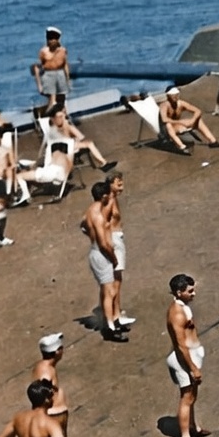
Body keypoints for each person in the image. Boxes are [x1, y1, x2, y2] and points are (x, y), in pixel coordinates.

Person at [166, 273, 208, 437]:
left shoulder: (184, 307)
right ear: (178, 292)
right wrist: (193, 368)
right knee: (186, 398)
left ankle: (193, 427)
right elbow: (181, 346)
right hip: (185, 360)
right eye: (190, 291)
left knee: (193, 396)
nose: (194, 294)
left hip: (192, 356)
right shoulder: (176, 314)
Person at [83, 179, 128, 343]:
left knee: (107, 290)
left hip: (96, 253)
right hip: (102, 254)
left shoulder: (90, 210)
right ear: (103, 196)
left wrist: (90, 237)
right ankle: (110, 327)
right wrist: (114, 258)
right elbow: (103, 244)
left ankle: (113, 322)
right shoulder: (99, 217)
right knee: (109, 292)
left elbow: (83, 226)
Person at [45, 104, 116, 172]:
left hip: (65, 146)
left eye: (63, 115)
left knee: (86, 141)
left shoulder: (58, 125)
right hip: (63, 149)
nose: (63, 117)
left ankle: (103, 162)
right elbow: (68, 139)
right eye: (60, 116)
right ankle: (103, 163)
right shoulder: (57, 127)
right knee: (89, 143)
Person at [106, 171, 134, 330]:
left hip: (117, 237)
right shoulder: (109, 201)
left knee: (116, 279)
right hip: (114, 239)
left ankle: (116, 312)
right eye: (118, 184)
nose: (121, 187)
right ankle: (116, 315)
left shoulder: (113, 198)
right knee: (116, 280)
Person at [158, 87, 219, 154]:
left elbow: (197, 111)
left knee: (199, 120)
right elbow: (164, 119)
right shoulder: (164, 105)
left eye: (176, 95)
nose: (175, 97)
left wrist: (192, 120)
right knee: (168, 124)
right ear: (168, 96)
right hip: (165, 130)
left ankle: (213, 142)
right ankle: (182, 147)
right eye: (173, 95)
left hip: (176, 127)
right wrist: (181, 122)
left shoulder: (181, 103)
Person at [14, 140, 73, 205]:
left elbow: (42, 164)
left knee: (19, 176)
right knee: (35, 174)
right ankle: (33, 190)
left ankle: (25, 195)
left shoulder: (53, 152)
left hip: (51, 173)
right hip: (62, 177)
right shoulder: (66, 156)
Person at [32, 27, 71, 108]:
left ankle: (63, 116)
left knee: (61, 99)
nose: (51, 41)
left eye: (53, 39)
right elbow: (37, 67)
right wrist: (39, 85)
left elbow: (65, 65)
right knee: (52, 101)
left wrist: (67, 79)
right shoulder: (44, 52)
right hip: (49, 75)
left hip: (60, 75)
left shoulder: (62, 51)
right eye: (49, 39)